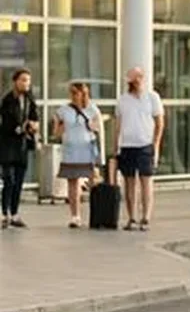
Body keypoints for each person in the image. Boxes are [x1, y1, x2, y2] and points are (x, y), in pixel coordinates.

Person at [114, 67, 164, 231]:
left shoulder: (152, 97)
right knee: (129, 182)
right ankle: (131, 217)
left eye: (138, 78)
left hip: (145, 145)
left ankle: (146, 217)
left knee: (146, 181)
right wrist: (116, 147)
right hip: (127, 145)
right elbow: (118, 125)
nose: (136, 81)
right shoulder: (123, 100)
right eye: (133, 78)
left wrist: (155, 144)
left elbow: (159, 122)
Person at [53, 82, 102, 228]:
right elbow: (56, 132)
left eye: (76, 93)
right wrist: (59, 127)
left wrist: (93, 126)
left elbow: (98, 129)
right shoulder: (63, 110)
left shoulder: (92, 109)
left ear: (83, 93)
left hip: (87, 148)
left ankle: (98, 213)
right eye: (71, 93)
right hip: (70, 150)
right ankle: (75, 216)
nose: (73, 96)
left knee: (93, 180)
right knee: (72, 182)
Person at [0, 68, 38, 229]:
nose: (26, 83)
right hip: (8, 145)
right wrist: (20, 127)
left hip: (23, 144)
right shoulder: (8, 99)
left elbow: (35, 116)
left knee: (19, 181)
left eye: (28, 80)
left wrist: (34, 126)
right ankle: (4, 213)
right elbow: (7, 123)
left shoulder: (29, 98)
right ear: (15, 81)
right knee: (9, 179)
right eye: (23, 80)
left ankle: (15, 213)